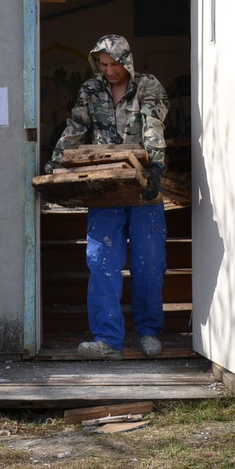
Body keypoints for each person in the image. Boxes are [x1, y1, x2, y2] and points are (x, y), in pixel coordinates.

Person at [44, 34, 169, 359]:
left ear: (127, 62)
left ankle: (149, 331)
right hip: (105, 184)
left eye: (114, 64)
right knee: (101, 261)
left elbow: (154, 126)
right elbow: (75, 127)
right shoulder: (90, 89)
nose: (109, 70)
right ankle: (108, 339)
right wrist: (56, 164)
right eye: (103, 64)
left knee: (149, 262)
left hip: (143, 183)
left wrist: (156, 166)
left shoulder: (148, 85)